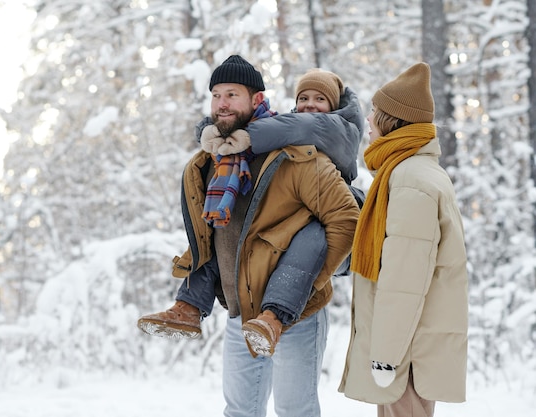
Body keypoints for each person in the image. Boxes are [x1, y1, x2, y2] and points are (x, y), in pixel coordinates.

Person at [142, 55, 360, 417]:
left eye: (232, 94)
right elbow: (211, 232)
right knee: (240, 411)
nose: (222, 103)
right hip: (239, 311)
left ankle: (278, 312)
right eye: (216, 95)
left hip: (297, 315)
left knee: (295, 411)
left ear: (257, 100)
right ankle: (188, 307)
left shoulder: (296, 156)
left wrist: (313, 281)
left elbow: (345, 220)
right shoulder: (213, 161)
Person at [338, 62, 469, 417]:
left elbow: (403, 282)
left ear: (392, 121)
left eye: (375, 113)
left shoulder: (410, 181)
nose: (368, 121)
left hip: (407, 354)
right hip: (412, 349)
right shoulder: (413, 172)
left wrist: (386, 356)